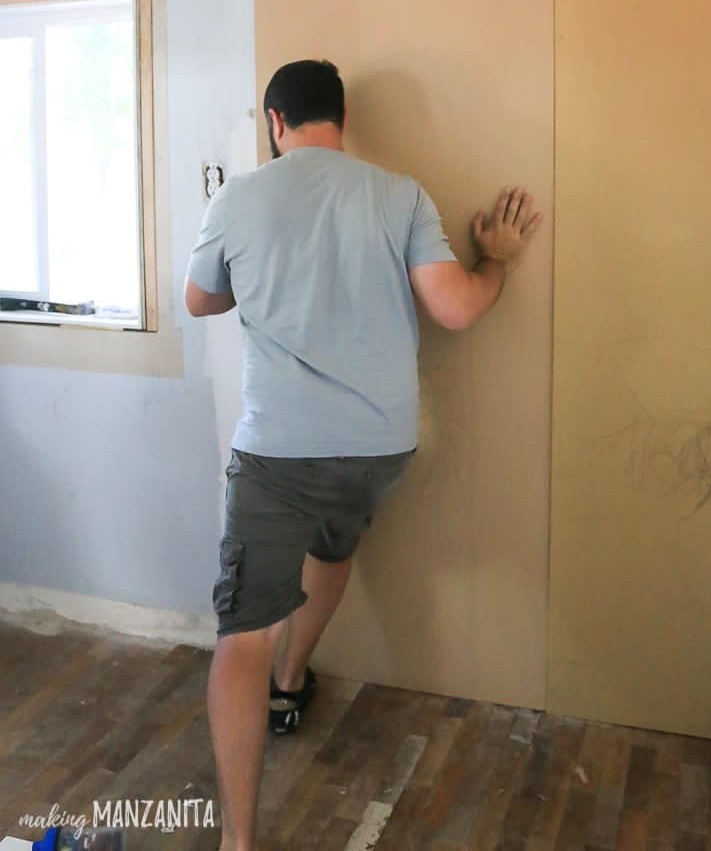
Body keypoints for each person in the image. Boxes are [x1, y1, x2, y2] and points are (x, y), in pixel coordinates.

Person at [184, 59, 542, 851]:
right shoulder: (399, 193)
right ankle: (291, 684)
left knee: (242, 635)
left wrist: (258, 267)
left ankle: (238, 842)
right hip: (377, 445)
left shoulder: (240, 195)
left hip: (278, 450)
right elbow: (455, 307)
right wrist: (498, 259)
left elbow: (200, 299)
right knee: (333, 547)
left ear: (275, 123)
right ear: (339, 119)